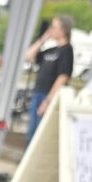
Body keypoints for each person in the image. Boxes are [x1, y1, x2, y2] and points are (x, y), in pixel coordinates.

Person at [24, 15, 74, 146]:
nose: (51, 30)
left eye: (54, 27)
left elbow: (63, 77)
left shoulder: (66, 51)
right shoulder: (51, 50)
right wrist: (42, 39)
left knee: (38, 134)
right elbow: (29, 56)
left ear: (62, 31)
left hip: (48, 95)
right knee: (31, 132)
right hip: (38, 92)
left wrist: (48, 101)